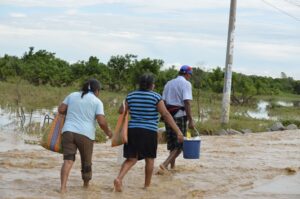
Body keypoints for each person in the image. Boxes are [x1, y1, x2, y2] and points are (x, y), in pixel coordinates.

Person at [114, 73, 184, 192]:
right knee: (149, 159)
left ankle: (119, 178)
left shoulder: (131, 96)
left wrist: (126, 102)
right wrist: (178, 131)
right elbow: (166, 114)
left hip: (132, 131)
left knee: (131, 159)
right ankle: (147, 186)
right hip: (149, 131)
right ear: (152, 85)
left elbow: (121, 111)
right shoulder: (156, 97)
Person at [58, 79, 113, 193]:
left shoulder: (72, 95)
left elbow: (61, 109)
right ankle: (86, 187)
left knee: (68, 161)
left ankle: (63, 188)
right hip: (85, 135)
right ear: (96, 90)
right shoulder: (97, 101)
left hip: (68, 132)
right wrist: (108, 132)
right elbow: (102, 122)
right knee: (86, 162)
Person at [160, 65, 195, 170]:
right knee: (180, 144)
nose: (190, 77)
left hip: (168, 116)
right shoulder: (186, 84)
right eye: (190, 75)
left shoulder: (168, 83)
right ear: (187, 74)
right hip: (179, 116)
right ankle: (165, 165)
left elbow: (164, 101)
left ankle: (173, 167)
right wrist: (191, 120)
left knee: (172, 143)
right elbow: (187, 102)